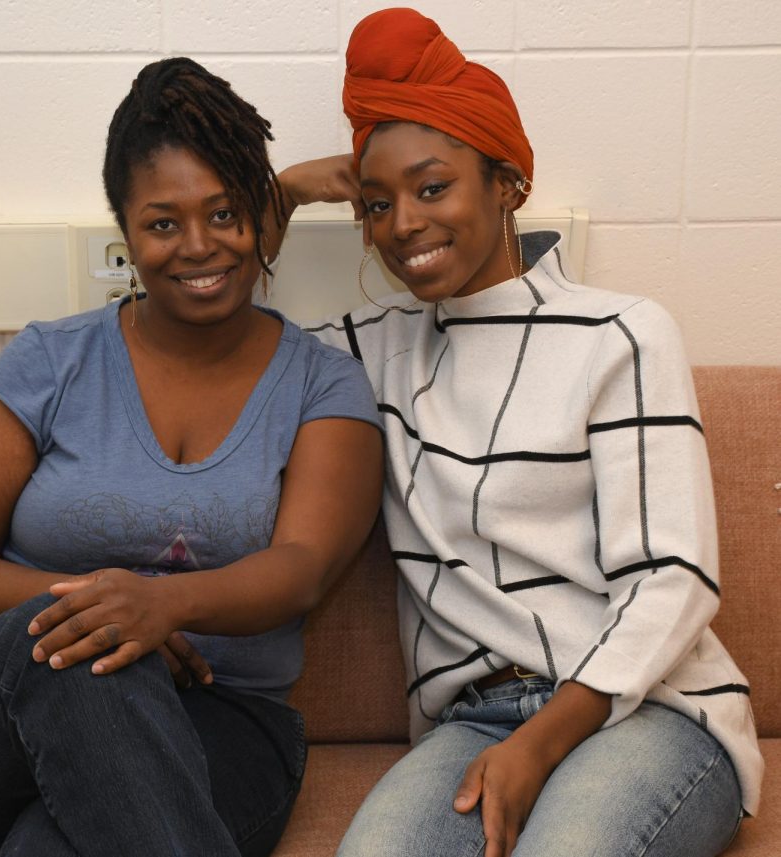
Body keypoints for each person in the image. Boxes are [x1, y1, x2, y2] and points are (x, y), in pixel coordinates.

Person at [273, 8, 763, 857]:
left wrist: (541, 744)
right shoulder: (367, 351)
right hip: (471, 722)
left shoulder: (621, 331)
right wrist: (279, 194)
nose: (402, 225)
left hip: (651, 708)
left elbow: (673, 577)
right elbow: (212, 331)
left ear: (508, 185)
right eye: (379, 203)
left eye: (433, 188)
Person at [0, 56, 383, 857]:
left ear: (257, 219)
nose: (199, 247)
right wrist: (112, 606)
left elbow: (302, 567)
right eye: (163, 223)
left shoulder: (323, 382)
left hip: (223, 725)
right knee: (85, 643)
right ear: (126, 233)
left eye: (225, 214)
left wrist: (164, 606)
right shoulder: (50, 361)